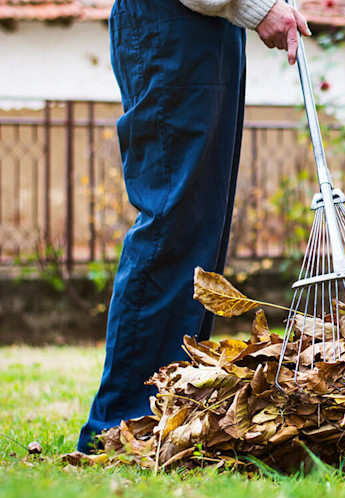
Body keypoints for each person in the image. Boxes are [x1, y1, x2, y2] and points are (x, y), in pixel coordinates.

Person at [77, 0, 310, 451]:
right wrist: (256, 7)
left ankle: (169, 410)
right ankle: (122, 421)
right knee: (173, 222)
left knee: (201, 226)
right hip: (173, 24)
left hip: (206, 28)